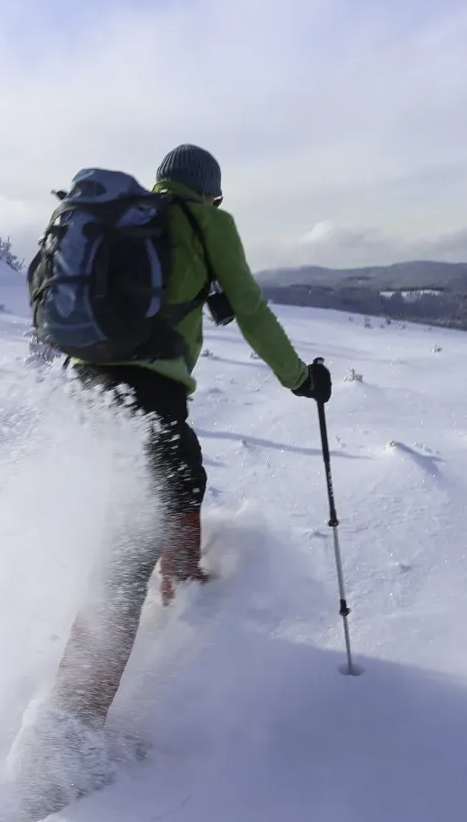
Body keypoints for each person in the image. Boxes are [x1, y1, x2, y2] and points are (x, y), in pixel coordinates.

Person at [39, 144, 331, 750]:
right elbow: (252, 309)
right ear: (209, 192)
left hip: (88, 388)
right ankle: (70, 724)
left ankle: (179, 588)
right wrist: (300, 377)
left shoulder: (132, 220)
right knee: (127, 550)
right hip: (148, 393)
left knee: (176, 483)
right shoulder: (205, 222)